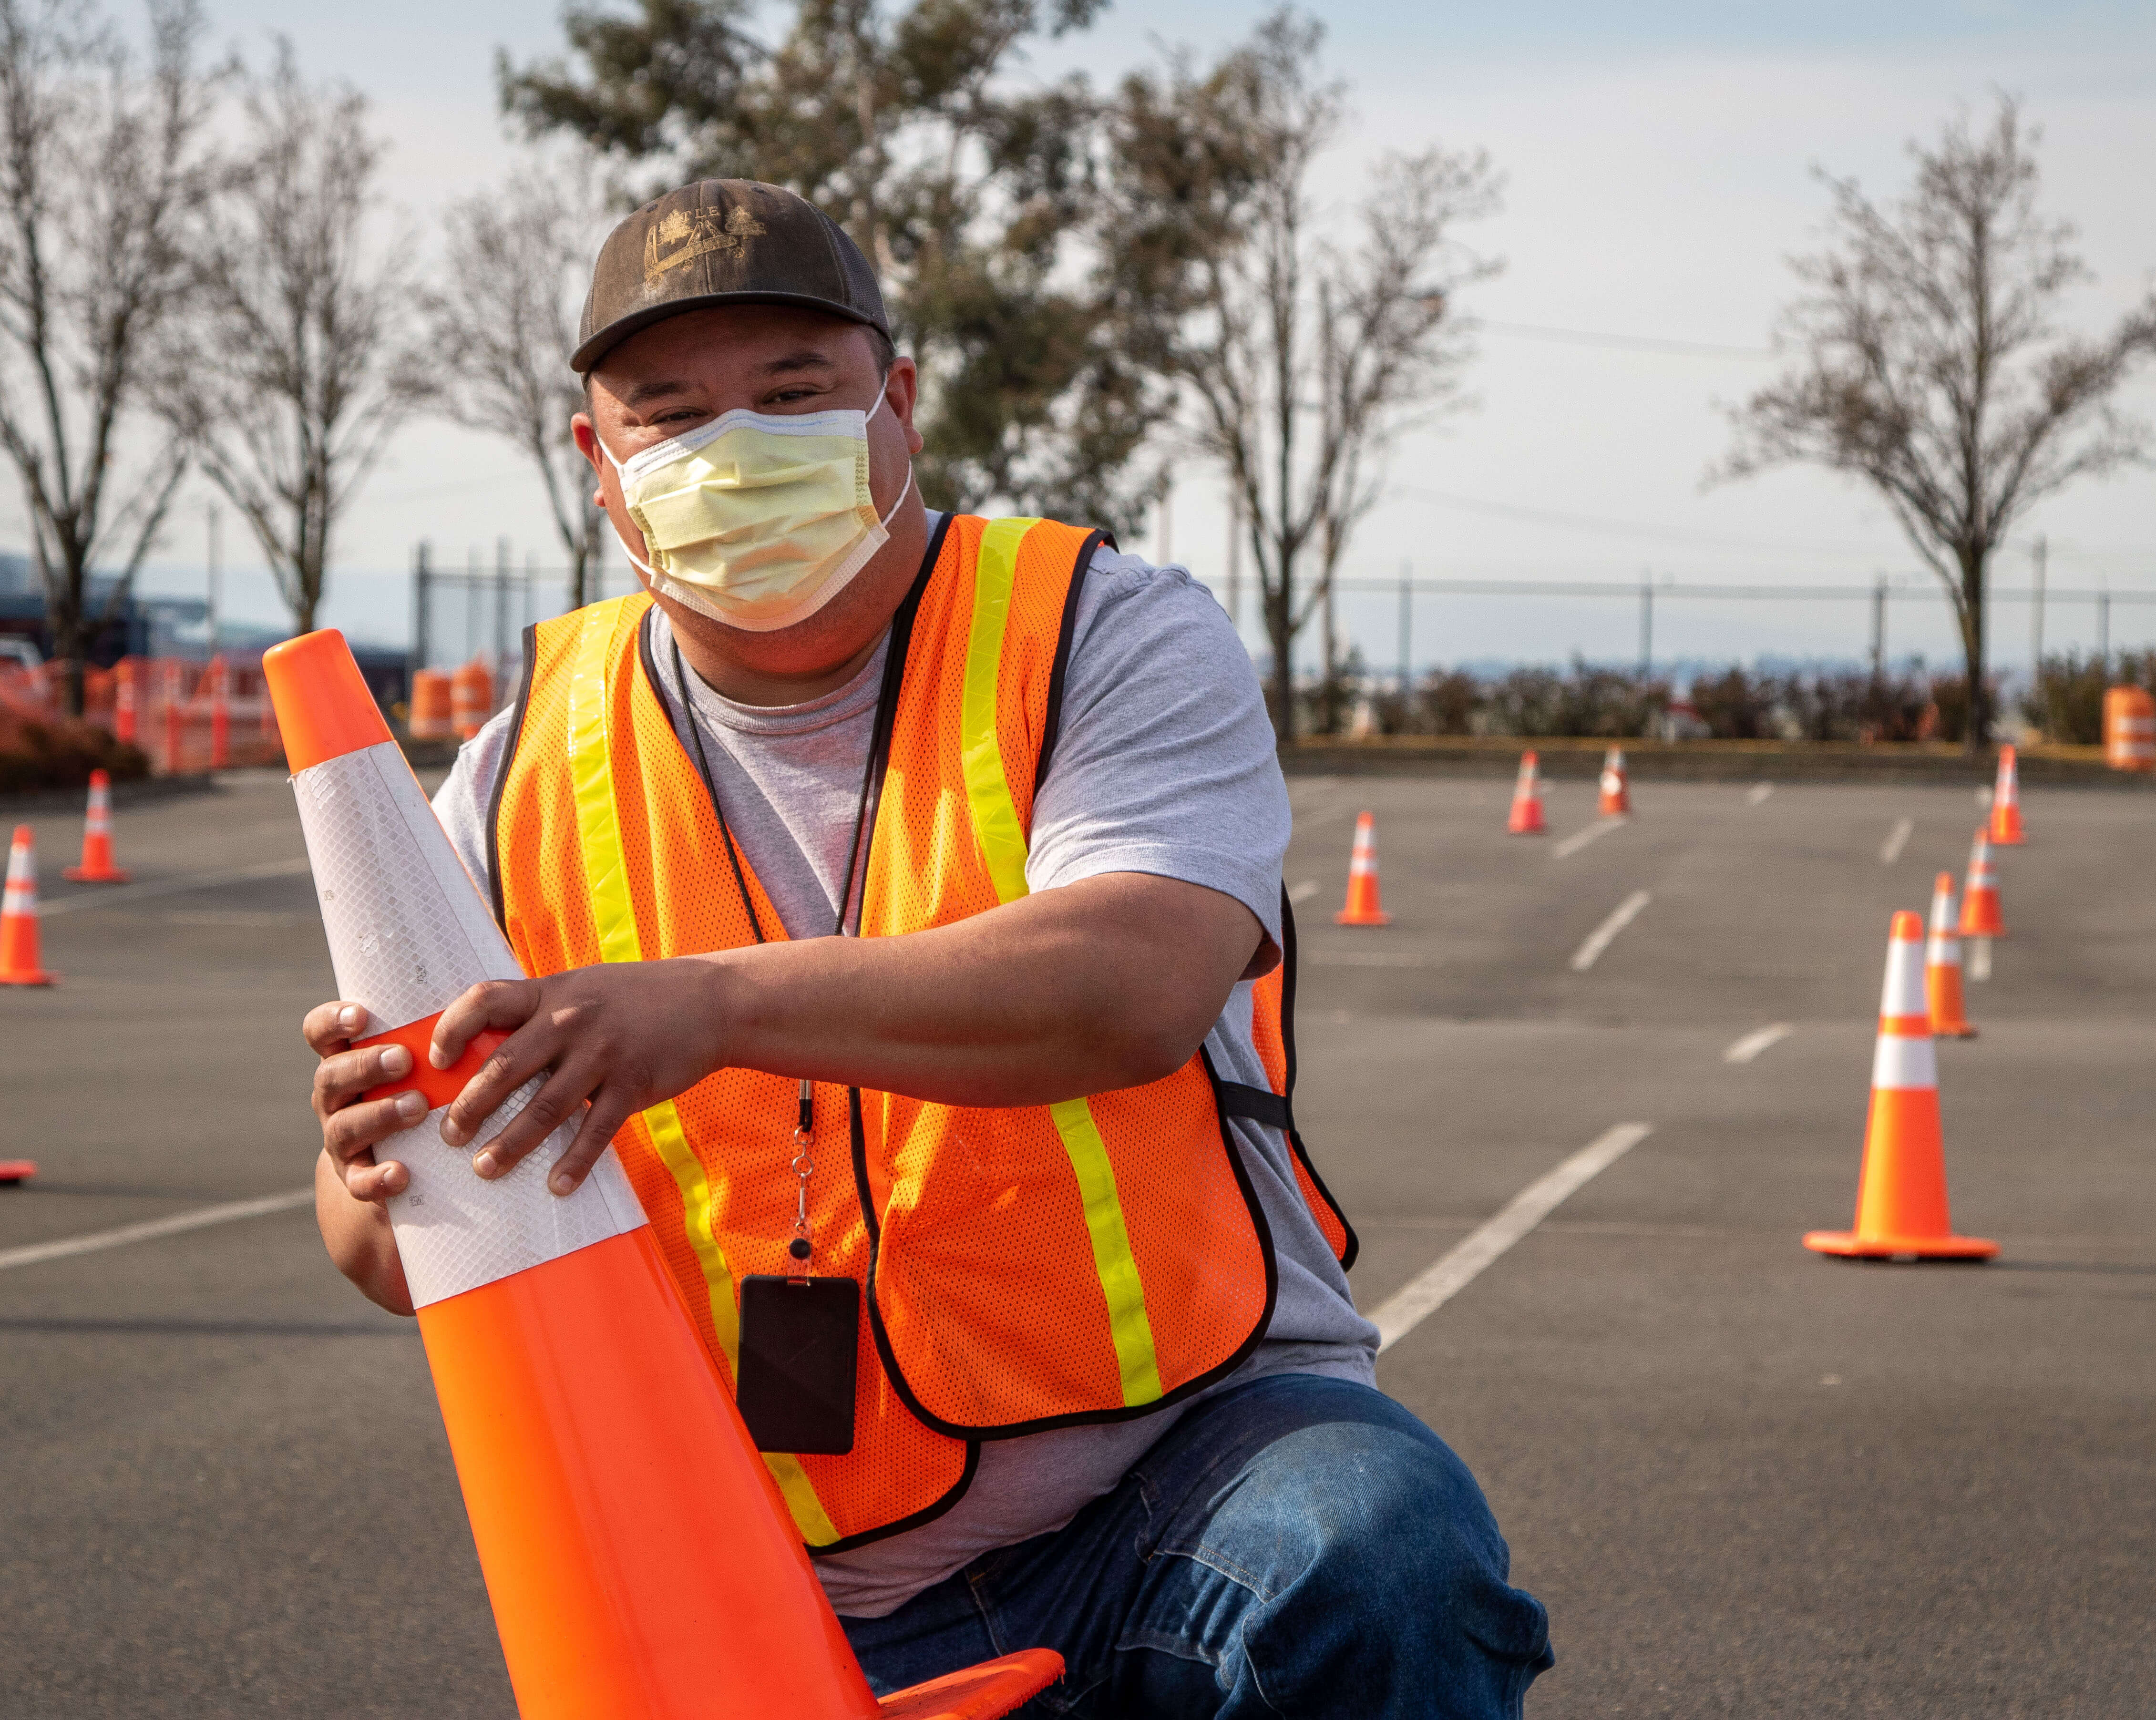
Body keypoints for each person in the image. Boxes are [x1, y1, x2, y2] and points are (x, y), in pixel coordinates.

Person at [300, 178, 1550, 1715]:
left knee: (1380, 1554)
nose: (732, 449)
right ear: (597, 464)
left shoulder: (1102, 633)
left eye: (791, 392)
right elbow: (390, 1257)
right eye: (669, 411)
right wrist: (376, 1164)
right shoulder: (509, 773)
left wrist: (711, 1006)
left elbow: (1134, 985)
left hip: (1178, 1478)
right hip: (767, 1566)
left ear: (898, 401)